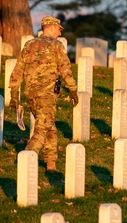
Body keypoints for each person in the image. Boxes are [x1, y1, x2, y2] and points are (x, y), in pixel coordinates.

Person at [7, 16, 78, 168]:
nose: (60, 33)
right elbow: (65, 69)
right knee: (42, 128)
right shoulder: (56, 45)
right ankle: (26, 158)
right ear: (52, 27)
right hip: (47, 94)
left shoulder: (29, 44)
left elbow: (18, 69)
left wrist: (14, 93)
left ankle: (51, 163)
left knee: (49, 126)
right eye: (59, 29)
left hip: (30, 94)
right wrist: (73, 89)